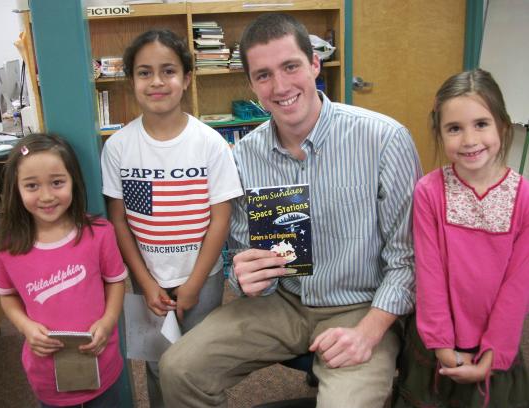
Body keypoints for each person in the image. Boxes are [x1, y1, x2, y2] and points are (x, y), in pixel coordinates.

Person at [160, 13, 422, 407]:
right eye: (263, 75)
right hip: (283, 302)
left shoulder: (384, 140)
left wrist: (370, 331)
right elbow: (247, 258)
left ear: (315, 64)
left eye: (291, 66)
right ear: (250, 83)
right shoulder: (245, 155)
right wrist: (246, 276)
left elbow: (410, 260)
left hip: (361, 306)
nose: (280, 86)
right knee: (177, 368)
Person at [100, 29, 243, 407]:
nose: (157, 81)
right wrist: (144, 282)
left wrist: (195, 284)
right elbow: (119, 221)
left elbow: (221, 218)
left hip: (202, 279)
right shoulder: (117, 147)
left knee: (201, 364)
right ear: (131, 81)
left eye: (168, 71)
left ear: (187, 79)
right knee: (157, 361)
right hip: (147, 278)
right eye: (144, 72)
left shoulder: (210, 143)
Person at [394, 69, 529, 408]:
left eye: (481, 124)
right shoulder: (429, 192)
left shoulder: (524, 197)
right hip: (438, 343)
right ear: (440, 133)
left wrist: (494, 352)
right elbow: (430, 273)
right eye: (455, 128)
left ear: (502, 124)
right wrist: (442, 345)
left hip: (495, 346)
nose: (469, 140)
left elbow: (518, 285)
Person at [0, 133, 127, 407]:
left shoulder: (99, 233)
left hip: (100, 359)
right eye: (31, 186)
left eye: (57, 183)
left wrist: (109, 320)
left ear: (73, 182)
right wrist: (25, 326)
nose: (46, 196)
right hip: (45, 371)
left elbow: (115, 281)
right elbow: (7, 296)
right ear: (15, 189)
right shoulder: (6, 246)